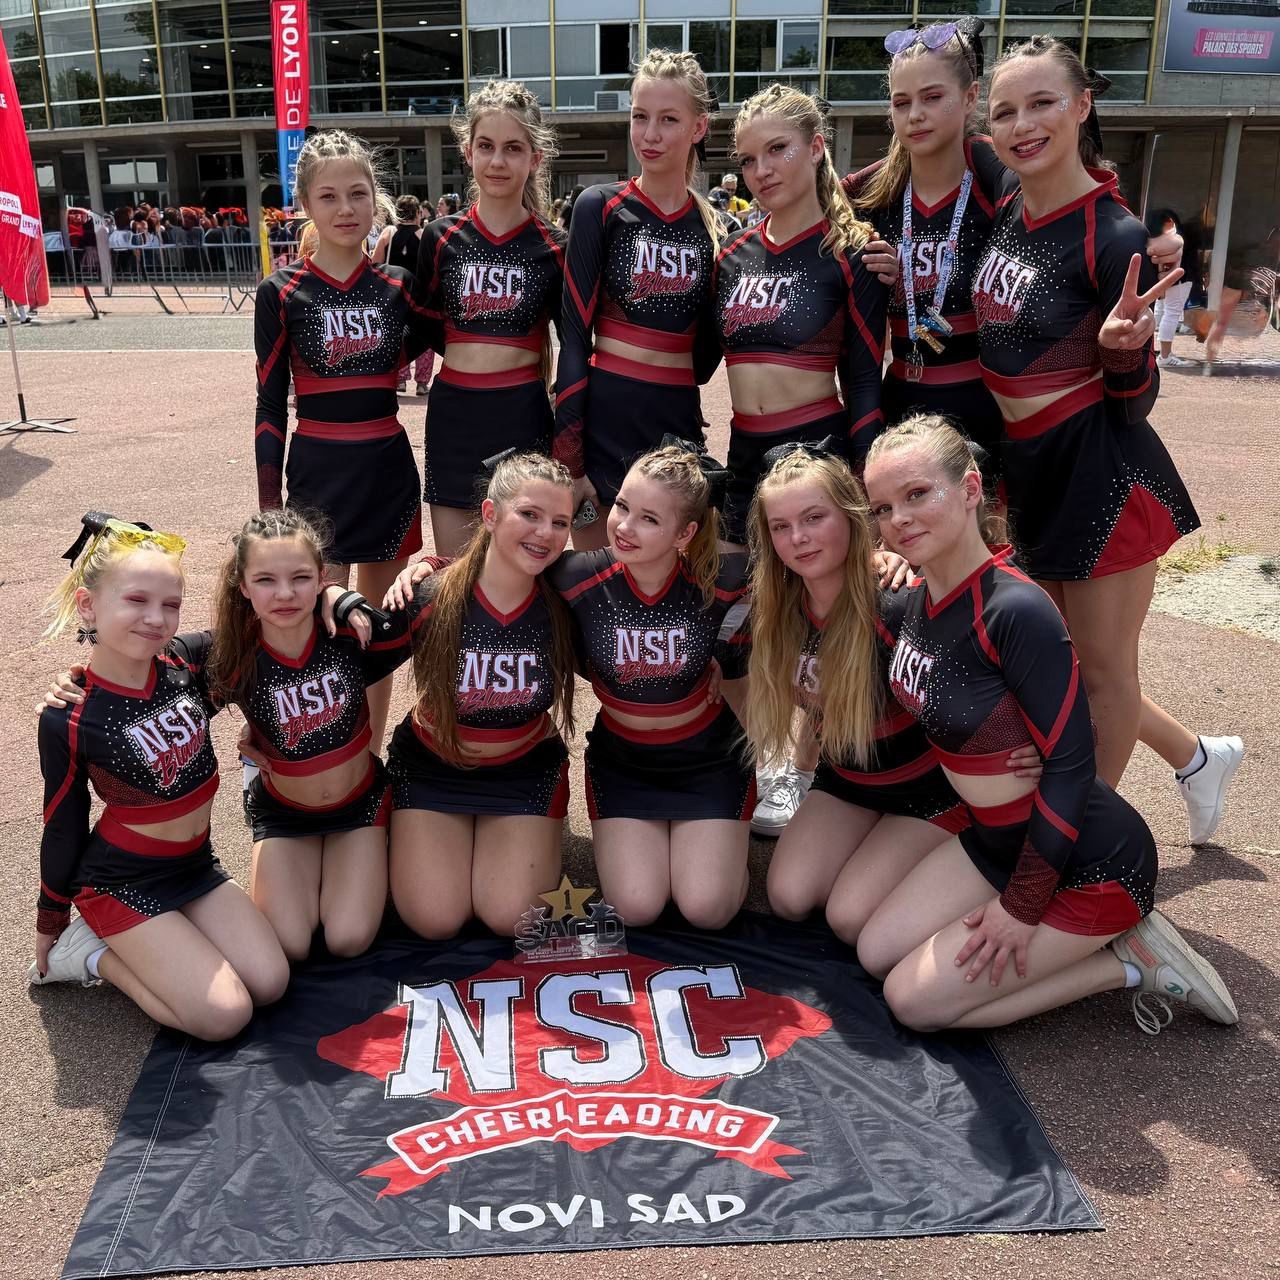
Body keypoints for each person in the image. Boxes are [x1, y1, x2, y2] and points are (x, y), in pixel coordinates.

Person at [857, 416, 1237, 1035]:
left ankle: (1131, 964)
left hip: (1090, 864)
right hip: (995, 841)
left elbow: (1071, 766)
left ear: (971, 489)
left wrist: (1022, 907)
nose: (898, 518)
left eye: (917, 494)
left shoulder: (1017, 609)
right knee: (875, 951)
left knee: (912, 1003)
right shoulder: (915, 598)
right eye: (882, 507)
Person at [973, 38, 1243, 808]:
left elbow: (1132, 405)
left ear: (1082, 105)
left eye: (1043, 103)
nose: (1023, 124)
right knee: (1051, 665)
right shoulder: (1009, 206)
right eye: (1005, 111)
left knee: (1102, 674)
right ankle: (1198, 759)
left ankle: (1082, 839)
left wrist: (1124, 353)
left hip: (1102, 477)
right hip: (1030, 472)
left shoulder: (1113, 234)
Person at [745, 443, 1042, 944]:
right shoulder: (776, 608)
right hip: (848, 782)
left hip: (929, 792)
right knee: (789, 897)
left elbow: (1008, 662)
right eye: (781, 526)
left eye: (814, 518)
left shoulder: (898, 602)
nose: (798, 538)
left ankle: (998, 883)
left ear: (852, 517)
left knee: (849, 918)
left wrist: (1033, 740)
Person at [30, 516, 290, 1041]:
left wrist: (338, 601)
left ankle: (166, 941)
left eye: (170, 604)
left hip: (195, 866)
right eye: (136, 600)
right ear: (88, 606)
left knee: (271, 982)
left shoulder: (185, 663)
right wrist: (50, 918)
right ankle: (91, 955)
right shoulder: (68, 717)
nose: (155, 618)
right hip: (121, 883)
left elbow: (266, 622)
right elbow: (63, 822)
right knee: (225, 1016)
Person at [714, 83, 889, 835]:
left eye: (778, 150)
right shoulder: (731, 254)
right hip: (743, 456)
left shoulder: (852, 255)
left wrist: (867, 493)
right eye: (748, 158)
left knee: (822, 620)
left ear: (818, 148)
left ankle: (809, 769)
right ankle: (766, 758)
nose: (762, 170)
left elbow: (867, 380)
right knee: (725, 617)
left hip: (818, 451)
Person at [253, 129, 435, 753]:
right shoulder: (281, 293)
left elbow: (439, 342)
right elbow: (270, 404)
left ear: (375, 197)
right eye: (328, 196)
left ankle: (371, 759)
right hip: (317, 477)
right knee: (319, 627)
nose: (346, 208)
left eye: (358, 193)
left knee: (376, 630)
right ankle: (326, 757)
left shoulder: (399, 286)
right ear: (305, 203)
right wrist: (271, 511)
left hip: (386, 472)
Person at [383, 453, 578, 939]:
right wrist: (333, 596)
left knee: (510, 917)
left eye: (560, 522)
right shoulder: (430, 596)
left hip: (523, 769)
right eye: (529, 514)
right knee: (435, 920)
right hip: (433, 766)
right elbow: (348, 658)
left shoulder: (567, 598)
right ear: (490, 514)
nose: (545, 533)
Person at [553, 49, 722, 551]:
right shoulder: (599, 207)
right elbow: (574, 337)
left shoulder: (713, 229)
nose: (650, 134)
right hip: (603, 423)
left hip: (676, 423)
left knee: (675, 575)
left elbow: (704, 359)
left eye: (669, 119)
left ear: (698, 127)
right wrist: (570, 459)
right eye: (640, 116)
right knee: (597, 577)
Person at [844, 19, 1006, 480]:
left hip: (982, 410)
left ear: (971, 97)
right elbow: (814, 202)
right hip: (899, 404)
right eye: (902, 102)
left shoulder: (997, 189)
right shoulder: (876, 197)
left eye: (932, 98)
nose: (915, 114)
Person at [413, 81, 565, 558]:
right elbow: (425, 328)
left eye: (513, 148)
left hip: (522, 415)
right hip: (454, 417)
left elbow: (577, 346)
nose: (498, 161)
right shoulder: (439, 237)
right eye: (486, 146)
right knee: (453, 570)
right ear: (468, 152)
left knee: (520, 566)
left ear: (535, 158)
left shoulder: (555, 246)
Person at [374, 194, 434, 395]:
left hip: (393, 293)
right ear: (418, 213)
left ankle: (400, 378)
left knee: (396, 336)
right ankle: (422, 382)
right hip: (419, 294)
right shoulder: (424, 235)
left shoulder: (388, 234)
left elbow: (375, 263)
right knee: (424, 337)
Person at [1144, 205, 1200, 369]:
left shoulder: (1153, 238)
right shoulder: (1178, 237)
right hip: (1180, 278)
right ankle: (1165, 355)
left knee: (1160, 311)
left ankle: (1151, 350)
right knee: (1171, 313)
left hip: (1162, 279)